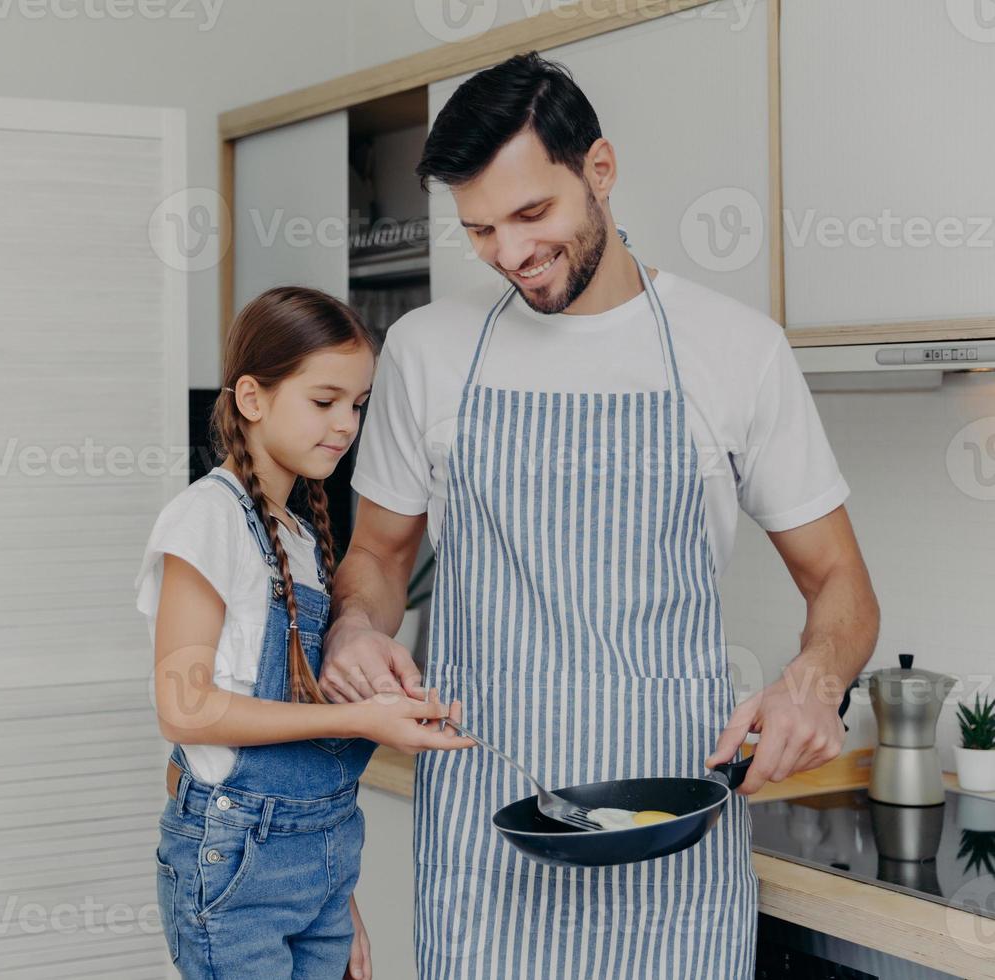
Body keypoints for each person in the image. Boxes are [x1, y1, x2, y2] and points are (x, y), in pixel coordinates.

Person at [319, 52, 879, 978]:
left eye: (532, 214)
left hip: (673, 846)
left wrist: (812, 683)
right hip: (485, 841)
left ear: (600, 170)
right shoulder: (425, 350)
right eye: (480, 230)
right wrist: (350, 631)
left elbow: (840, 584)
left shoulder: (736, 350)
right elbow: (376, 557)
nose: (509, 254)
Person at [134, 286, 473, 980]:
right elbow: (185, 708)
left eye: (357, 404)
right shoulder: (207, 518)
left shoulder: (295, 536)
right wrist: (367, 717)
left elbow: (307, 737)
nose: (346, 424)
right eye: (324, 402)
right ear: (253, 399)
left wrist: (336, 897)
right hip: (236, 858)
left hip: (318, 856)